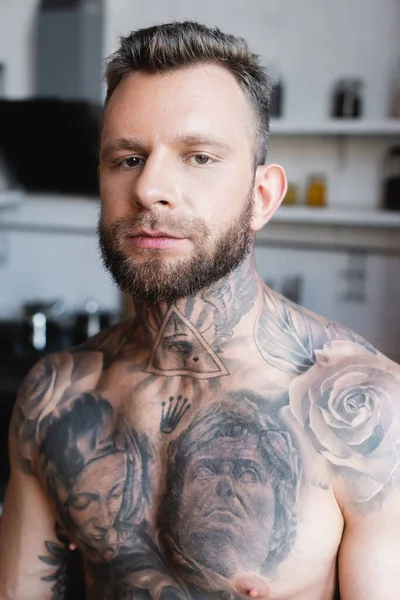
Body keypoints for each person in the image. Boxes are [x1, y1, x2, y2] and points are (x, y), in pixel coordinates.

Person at [0, 20, 399, 600]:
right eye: (128, 158)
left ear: (262, 197)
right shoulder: (54, 401)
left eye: (200, 157)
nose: (150, 188)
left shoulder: (368, 412)